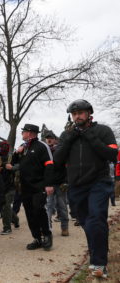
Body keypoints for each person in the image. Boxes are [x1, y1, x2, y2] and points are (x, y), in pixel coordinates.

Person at [54, 99, 118, 279]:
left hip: (99, 181)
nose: (77, 116)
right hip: (76, 185)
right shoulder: (67, 135)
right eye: (74, 114)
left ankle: (99, 263)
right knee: (86, 221)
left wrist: (90, 135)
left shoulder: (102, 131)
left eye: (81, 113)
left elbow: (112, 154)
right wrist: (69, 138)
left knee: (96, 217)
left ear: (89, 113)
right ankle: (100, 245)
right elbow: (58, 160)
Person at [12, 124, 54, 251]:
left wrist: (49, 184)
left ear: (29, 133)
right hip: (25, 187)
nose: (22, 134)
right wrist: (16, 152)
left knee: (39, 209)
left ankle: (47, 235)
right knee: (29, 213)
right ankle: (37, 238)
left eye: (23, 132)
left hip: (39, 186)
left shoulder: (42, 146)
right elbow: (13, 163)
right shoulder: (24, 147)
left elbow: (49, 165)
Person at [44, 131, 69, 236]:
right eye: (47, 138)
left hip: (60, 183)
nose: (49, 139)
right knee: (48, 206)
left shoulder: (61, 150)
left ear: (55, 139)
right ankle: (48, 229)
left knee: (62, 206)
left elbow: (68, 166)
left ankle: (65, 228)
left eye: (51, 138)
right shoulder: (44, 151)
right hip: (49, 183)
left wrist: (66, 181)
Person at [0, 141, 19, 235]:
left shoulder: (12, 157)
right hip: (1, 187)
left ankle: (7, 228)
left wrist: (12, 167)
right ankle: (15, 220)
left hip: (11, 186)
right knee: (5, 207)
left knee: (6, 207)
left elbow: (20, 165)